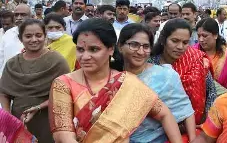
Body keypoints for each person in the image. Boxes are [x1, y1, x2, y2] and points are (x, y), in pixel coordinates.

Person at [49, 18, 182, 143]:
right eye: (80, 49)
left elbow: (164, 114)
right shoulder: (64, 84)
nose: (85, 56)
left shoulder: (126, 82)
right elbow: (63, 134)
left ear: (111, 49)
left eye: (94, 49)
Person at [118, 24, 196, 143]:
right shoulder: (111, 77)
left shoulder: (165, 75)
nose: (140, 52)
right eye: (134, 45)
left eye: (146, 46)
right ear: (120, 47)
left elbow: (185, 110)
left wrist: (193, 139)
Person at [0, 19, 70, 143]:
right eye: (28, 36)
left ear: (45, 36)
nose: (33, 40)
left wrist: (39, 107)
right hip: (18, 120)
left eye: (38, 35)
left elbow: (65, 93)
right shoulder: (12, 64)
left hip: (49, 120)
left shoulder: (57, 61)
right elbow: (4, 93)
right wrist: (8, 119)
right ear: (21, 39)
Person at [150, 19, 217, 125]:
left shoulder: (197, 59)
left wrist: (207, 123)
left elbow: (211, 92)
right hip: (157, 128)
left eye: (185, 42)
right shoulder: (151, 64)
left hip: (196, 125)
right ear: (163, 40)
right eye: (175, 41)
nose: (180, 47)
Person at [195, 18, 227, 90]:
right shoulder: (192, 53)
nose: (201, 40)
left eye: (205, 36)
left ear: (215, 35)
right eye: (199, 36)